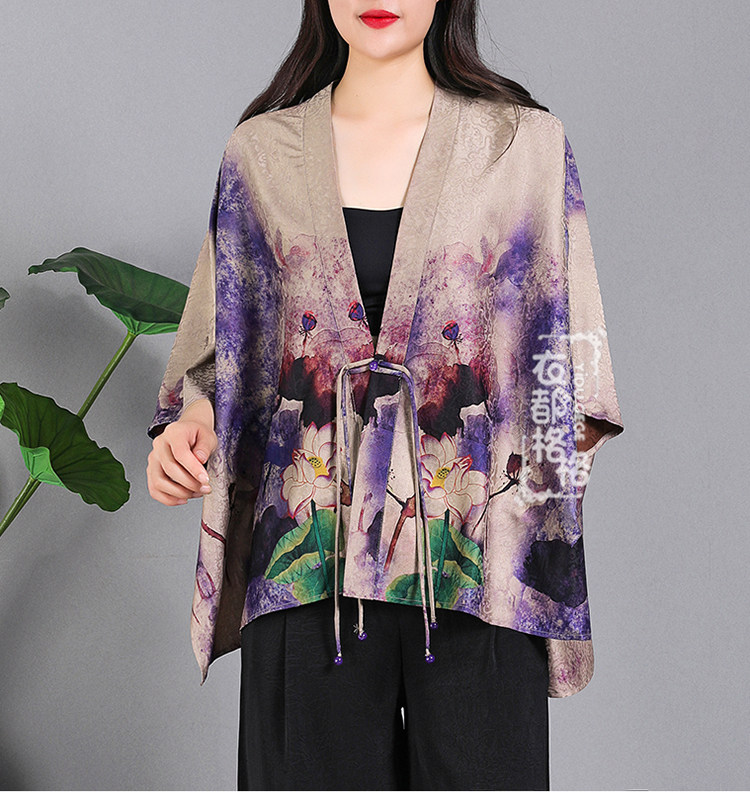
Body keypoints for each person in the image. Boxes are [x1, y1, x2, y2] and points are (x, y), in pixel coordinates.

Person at [146, 0, 624, 791]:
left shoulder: (524, 148)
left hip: (476, 576)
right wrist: (194, 422)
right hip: (307, 580)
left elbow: (568, 370)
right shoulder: (260, 155)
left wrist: (527, 498)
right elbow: (226, 354)